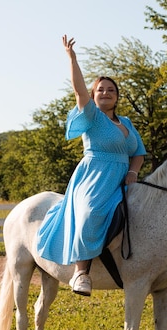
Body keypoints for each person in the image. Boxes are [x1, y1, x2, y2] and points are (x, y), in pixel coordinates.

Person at [36, 35, 146, 296]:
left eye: (111, 90)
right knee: (90, 213)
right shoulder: (92, 116)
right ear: (94, 96)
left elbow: (139, 153)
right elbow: (78, 90)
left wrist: (133, 172)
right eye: (100, 90)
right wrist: (72, 59)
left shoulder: (127, 123)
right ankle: (81, 273)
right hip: (94, 177)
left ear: (117, 97)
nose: (106, 93)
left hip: (123, 178)